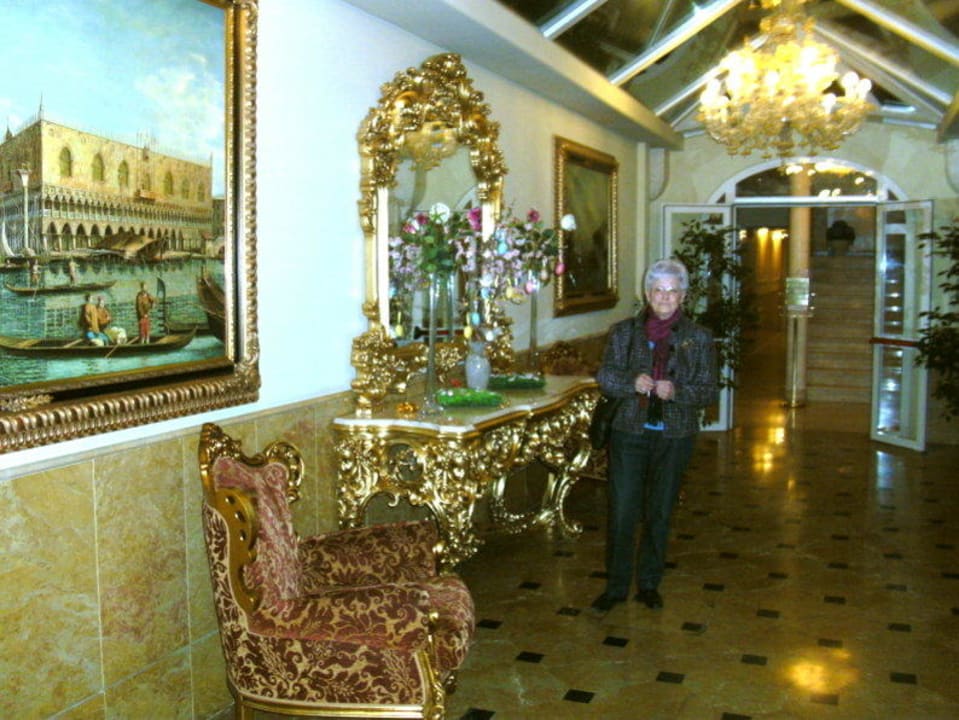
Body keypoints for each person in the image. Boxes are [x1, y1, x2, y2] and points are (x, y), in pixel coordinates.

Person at [591, 258, 718, 613]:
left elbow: (708, 390)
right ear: (647, 293)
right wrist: (631, 382)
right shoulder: (624, 333)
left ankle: (649, 584)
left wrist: (676, 390)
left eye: (672, 291)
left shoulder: (698, 338)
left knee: (660, 511)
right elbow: (606, 377)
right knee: (622, 511)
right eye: (658, 290)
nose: (664, 297)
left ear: (683, 296)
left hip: (674, 436)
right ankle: (616, 587)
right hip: (629, 432)